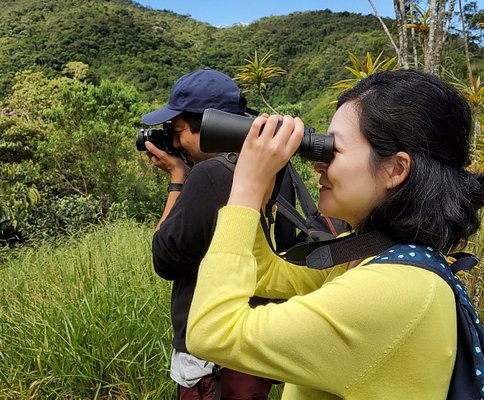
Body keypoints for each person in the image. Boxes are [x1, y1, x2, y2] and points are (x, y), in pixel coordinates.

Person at [186, 70, 484, 399]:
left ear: (395, 170)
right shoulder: (369, 254)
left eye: (333, 149)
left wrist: (244, 188)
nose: (318, 164)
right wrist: (257, 200)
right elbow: (263, 274)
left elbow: (211, 334)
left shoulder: (392, 291)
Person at [144, 69, 274, 399]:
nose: (174, 142)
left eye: (178, 130)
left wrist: (177, 178)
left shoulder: (210, 174)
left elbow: (165, 258)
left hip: (212, 361)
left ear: (210, 125)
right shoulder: (267, 164)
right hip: (251, 345)